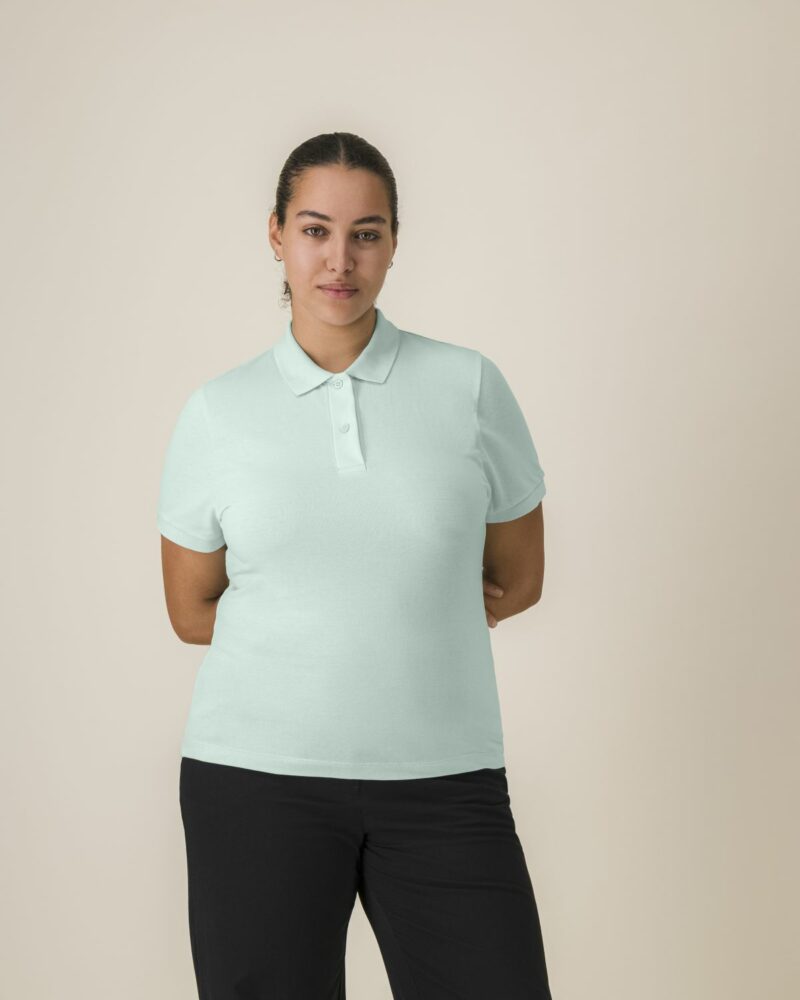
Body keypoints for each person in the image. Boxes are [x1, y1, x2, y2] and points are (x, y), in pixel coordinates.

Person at [158, 131, 554, 999]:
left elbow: (519, 577)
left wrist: (408, 605)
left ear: (394, 243)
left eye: (366, 234)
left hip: (445, 782)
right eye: (315, 230)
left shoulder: (468, 386)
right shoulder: (219, 413)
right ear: (276, 235)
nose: (340, 260)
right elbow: (191, 611)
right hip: (255, 784)